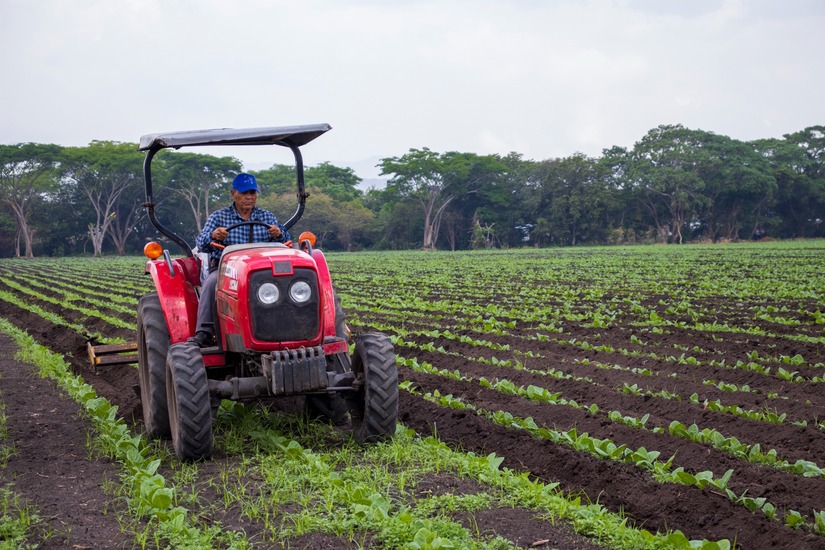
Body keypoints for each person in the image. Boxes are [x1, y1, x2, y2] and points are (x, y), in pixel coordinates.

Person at [188, 172, 290, 347]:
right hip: (225, 269)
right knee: (212, 284)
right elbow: (202, 244)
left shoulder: (266, 217)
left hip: (261, 270)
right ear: (233, 193)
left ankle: (289, 325)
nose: (249, 197)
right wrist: (213, 235)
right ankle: (204, 331)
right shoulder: (219, 217)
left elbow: (285, 241)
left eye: (253, 193)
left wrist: (279, 233)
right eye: (244, 193)